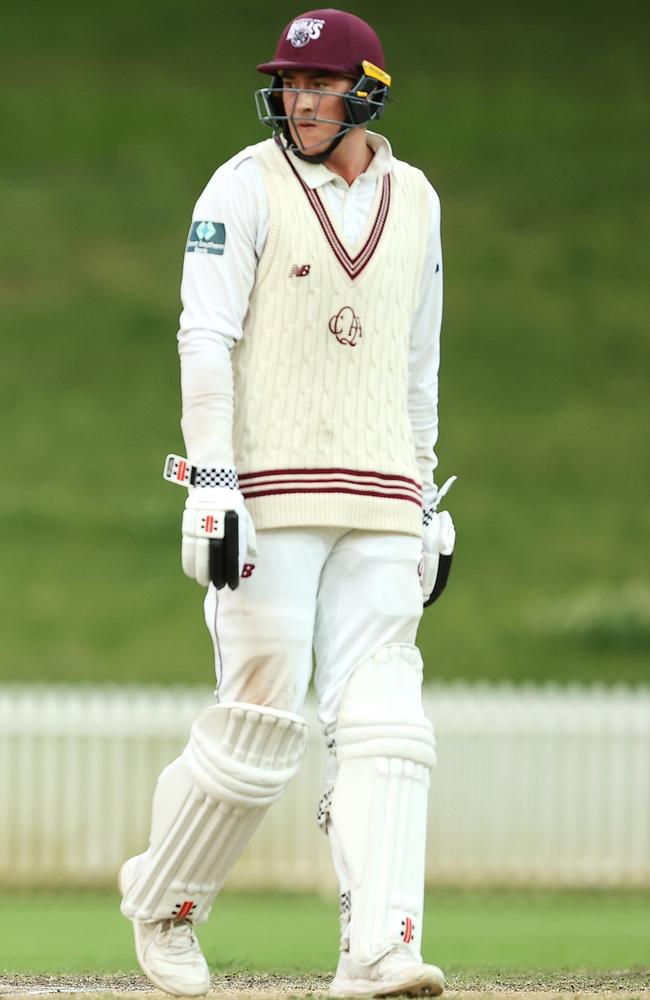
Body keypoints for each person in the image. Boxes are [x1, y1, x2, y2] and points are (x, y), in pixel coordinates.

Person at [119, 8, 456, 997]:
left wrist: (425, 488)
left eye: (319, 84)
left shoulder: (418, 200)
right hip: (266, 492)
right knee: (261, 722)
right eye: (290, 84)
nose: (300, 100)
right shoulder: (242, 185)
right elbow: (203, 336)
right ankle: (167, 904)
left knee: (387, 719)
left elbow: (415, 357)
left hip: (382, 494)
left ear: (366, 91)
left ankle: (378, 945)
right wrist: (212, 484)